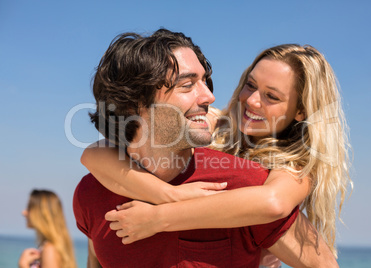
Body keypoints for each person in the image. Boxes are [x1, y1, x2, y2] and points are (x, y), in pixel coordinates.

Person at [73, 29, 339, 268]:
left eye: (272, 96)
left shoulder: (273, 175)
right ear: (134, 104)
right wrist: (168, 194)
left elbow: (274, 202)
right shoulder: (216, 124)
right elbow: (93, 154)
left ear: (301, 111)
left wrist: (159, 216)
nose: (252, 101)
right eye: (250, 85)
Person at [19, 189, 77, 268]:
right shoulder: (51, 246)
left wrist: (24, 265)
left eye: (29, 208)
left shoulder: (49, 249)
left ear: (41, 213)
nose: (24, 212)